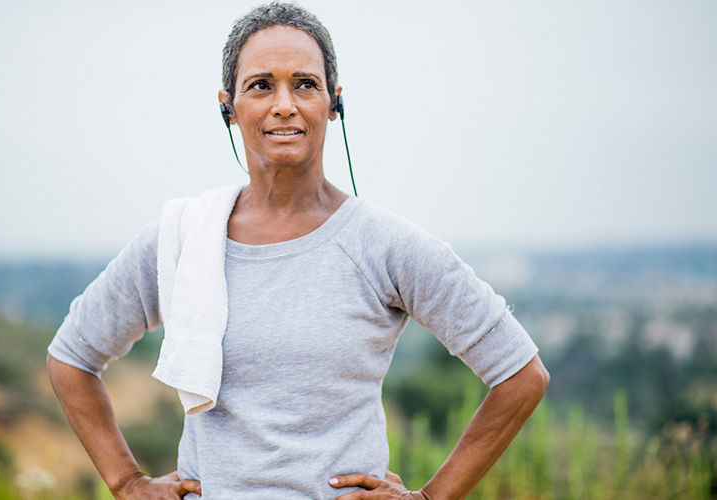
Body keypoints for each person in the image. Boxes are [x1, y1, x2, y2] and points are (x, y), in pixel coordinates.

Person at [46, 3, 550, 499]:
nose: (283, 104)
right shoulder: (184, 238)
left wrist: (430, 497)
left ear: (334, 102)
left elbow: (521, 375)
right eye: (260, 84)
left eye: (305, 84)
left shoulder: (385, 245)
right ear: (228, 105)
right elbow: (72, 357)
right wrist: (127, 481)